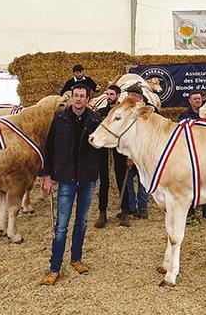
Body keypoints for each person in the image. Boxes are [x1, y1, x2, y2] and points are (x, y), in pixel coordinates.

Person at [40, 84, 101, 285]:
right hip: (66, 178)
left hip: (87, 178)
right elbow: (49, 148)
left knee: (81, 222)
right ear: (71, 97)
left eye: (82, 96)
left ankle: (76, 259)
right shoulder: (60, 118)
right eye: (76, 96)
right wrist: (47, 175)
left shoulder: (95, 119)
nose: (78, 99)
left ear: (88, 99)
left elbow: (102, 148)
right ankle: (54, 268)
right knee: (61, 226)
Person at [93, 85, 132, 228]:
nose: (108, 96)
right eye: (107, 94)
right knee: (104, 181)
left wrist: (130, 155)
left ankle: (125, 212)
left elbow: (128, 133)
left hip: (119, 149)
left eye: (111, 94)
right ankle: (102, 213)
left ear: (118, 95)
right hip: (103, 151)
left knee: (122, 179)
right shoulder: (101, 112)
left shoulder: (123, 112)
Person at [178, 91, 206, 220]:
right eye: (195, 99)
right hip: (191, 151)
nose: (198, 101)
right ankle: (191, 210)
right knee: (191, 181)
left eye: (199, 98)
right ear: (190, 101)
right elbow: (179, 132)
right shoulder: (184, 115)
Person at [122, 84, 151, 219]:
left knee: (143, 181)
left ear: (136, 96)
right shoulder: (128, 112)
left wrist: (132, 156)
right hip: (130, 153)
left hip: (143, 153)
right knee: (128, 181)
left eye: (130, 95)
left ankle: (143, 207)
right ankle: (132, 207)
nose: (128, 97)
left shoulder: (147, 112)